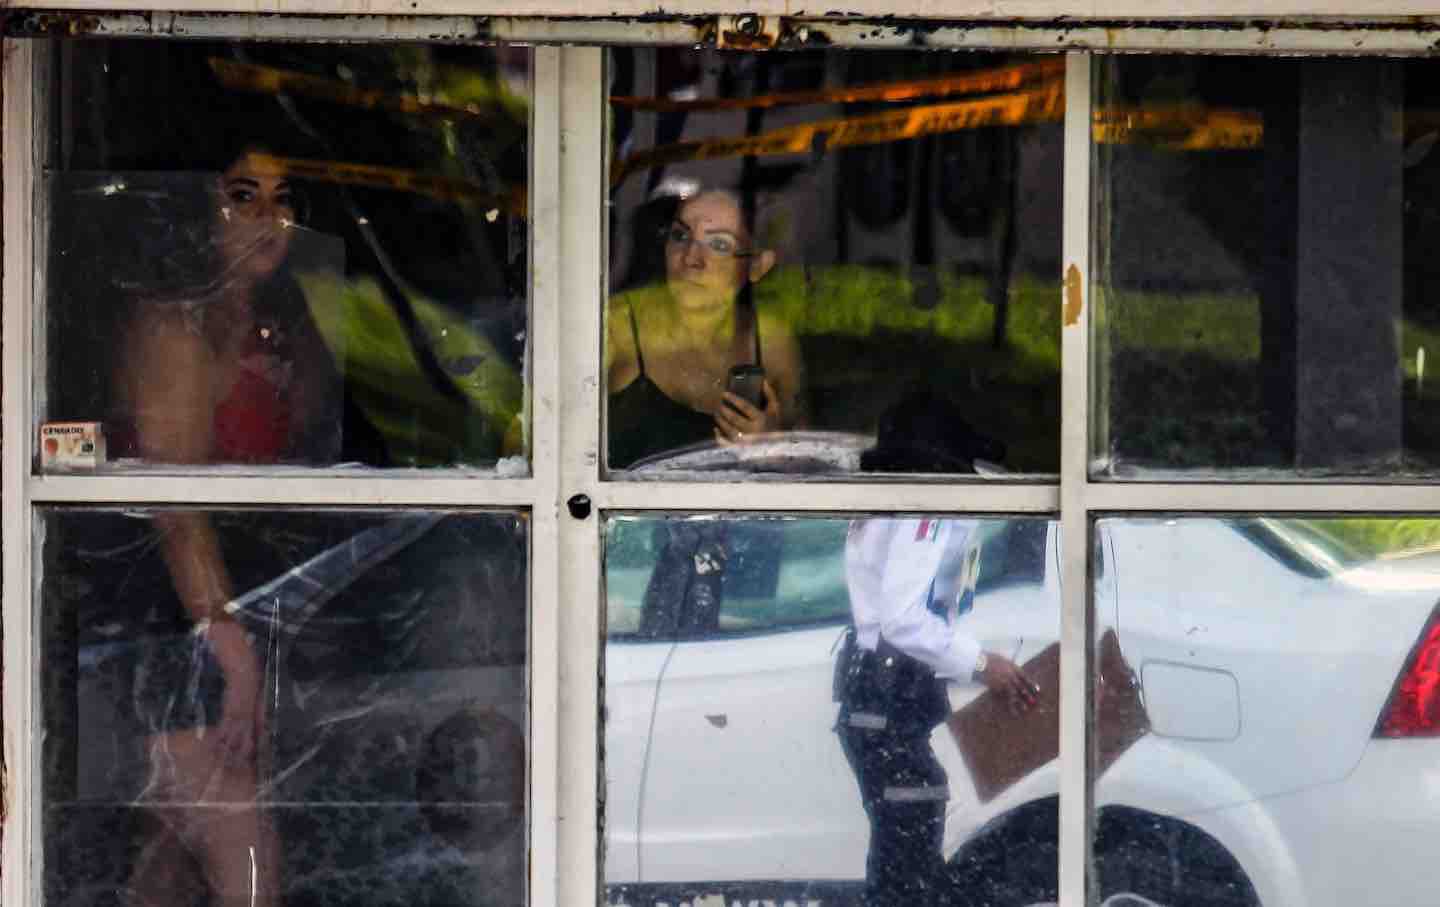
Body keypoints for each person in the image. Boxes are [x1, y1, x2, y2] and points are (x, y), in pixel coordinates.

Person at [109, 147, 341, 907]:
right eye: (243, 195)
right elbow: (175, 502)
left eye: (283, 196)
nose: (269, 216)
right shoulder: (176, 325)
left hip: (249, 601)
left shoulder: (283, 323)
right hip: (189, 614)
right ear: (202, 210)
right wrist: (225, 639)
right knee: (242, 859)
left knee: (170, 864)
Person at [836, 394, 1035, 907]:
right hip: (891, 696)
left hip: (879, 694)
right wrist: (982, 664)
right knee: (910, 853)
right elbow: (904, 618)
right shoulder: (926, 503)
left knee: (904, 850)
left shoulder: (884, 506)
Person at [606, 187, 807, 469]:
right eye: (680, 236)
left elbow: (811, 466)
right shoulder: (617, 327)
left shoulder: (771, 341)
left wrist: (771, 447)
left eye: (719, 245)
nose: (691, 259)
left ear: (757, 266)